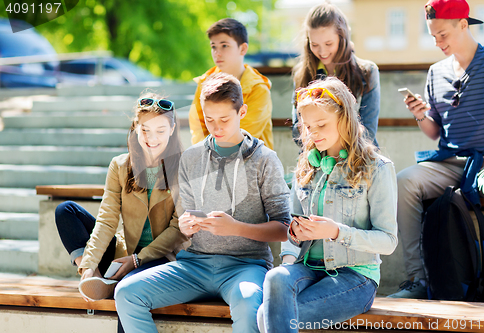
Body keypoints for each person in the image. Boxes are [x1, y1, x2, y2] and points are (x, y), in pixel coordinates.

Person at [115, 73, 291, 333]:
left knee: (247, 303)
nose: (216, 127)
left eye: (224, 120)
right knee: (126, 293)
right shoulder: (190, 158)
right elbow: (184, 223)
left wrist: (235, 228)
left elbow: (284, 228)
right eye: (209, 120)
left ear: (242, 111)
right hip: (194, 264)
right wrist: (187, 226)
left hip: (246, 267)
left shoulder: (265, 160)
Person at [258, 77, 398, 332]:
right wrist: (294, 237)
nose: (313, 133)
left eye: (321, 124)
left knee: (266, 317)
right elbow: (292, 227)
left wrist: (335, 232)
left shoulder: (377, 168)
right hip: (307, 269)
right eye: (308, 126)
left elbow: (388, 240)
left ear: (344, 119)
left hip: (355, 277)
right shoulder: (306, 165)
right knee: (276, 277)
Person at [388, 0, 484, 304]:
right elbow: (435, 131)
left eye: (443, 35)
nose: (437, 43)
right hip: (449, 160)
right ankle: (418, 279)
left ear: (464, 24)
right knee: (403, 182)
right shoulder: (436, 72)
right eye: (433, 36)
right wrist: (421, 114)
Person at [55, 92, 189, 330]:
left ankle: (111, 285)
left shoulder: (183, 166)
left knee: (127, 289)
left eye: (160, 130)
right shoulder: (120, 165)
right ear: (135, 128)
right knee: (65, 210)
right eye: (145, 129)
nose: (152, 138)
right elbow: (107, 220)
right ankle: (96, 277)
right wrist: (88, 265)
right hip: (122, 252)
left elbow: (178, 229)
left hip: (159, 257)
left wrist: (137, 260)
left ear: (172, 129)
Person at [291, 1, 380, 148]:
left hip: (358, 155)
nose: (322, 52)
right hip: (315, 157)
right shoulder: (302, 74)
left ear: (342, 37)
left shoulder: (367, 72)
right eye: (315, 45)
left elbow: (368, 132)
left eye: (328, 44)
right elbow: (297, 131)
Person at [188, 18, 274, 149]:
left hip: (252, 163)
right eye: (213, 46)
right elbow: (197, 125)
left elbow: (244, 135)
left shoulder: (258, 88)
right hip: (211, 159)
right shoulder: (204, 83)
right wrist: (204, 157)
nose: (217, 52)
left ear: (243, 49)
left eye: (224, 45)